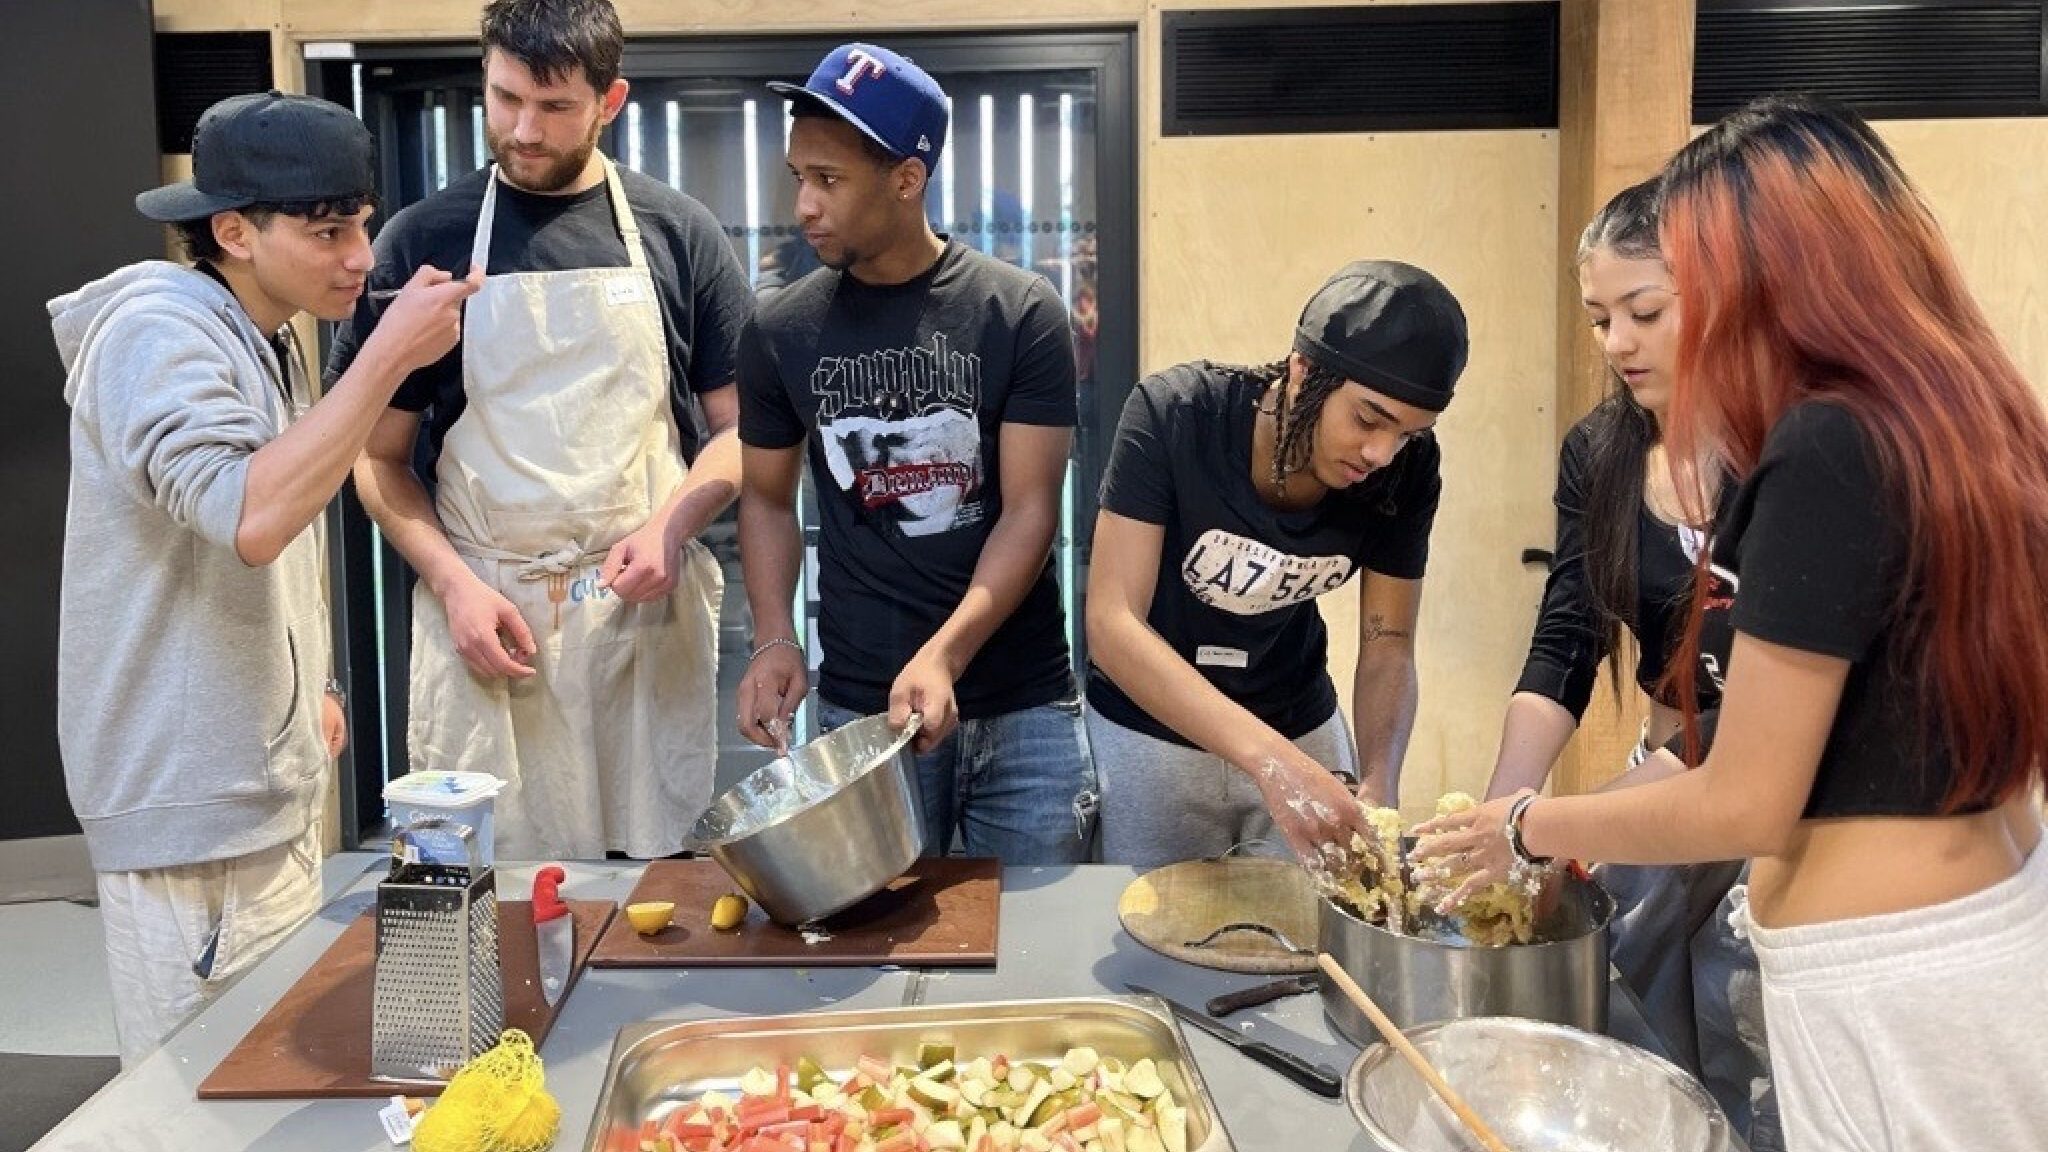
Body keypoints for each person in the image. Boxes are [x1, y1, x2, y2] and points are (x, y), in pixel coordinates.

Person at [1415, 94, 2048, 1150]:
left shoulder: (1823, 448)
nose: (1645, 334)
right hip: (1978, 932)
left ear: (1777, 274)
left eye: (1682, 286)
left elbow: (1748, 798)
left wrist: (1529, 826)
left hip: (1887, 980)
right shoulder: (1964, 412)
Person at [49, 91, 478, 1065]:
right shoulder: (156, 332)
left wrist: (312, 684)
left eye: (362, 223)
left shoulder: (267, 329)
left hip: (260, 781)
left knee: (270, 1080)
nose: (361, 256)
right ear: (233, 231)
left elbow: (287, 519)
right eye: (328, 231)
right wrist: (382, 358)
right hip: (188, 803)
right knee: (195, 1099)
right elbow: (248, 516)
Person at [330, 0, 754, 860]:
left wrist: (673, 528)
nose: (523, 129)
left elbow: (741, 433)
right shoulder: (426, 242)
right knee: (498, 898)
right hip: (487, 620)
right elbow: (376, 461)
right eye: (505, 98)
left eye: (554, 107)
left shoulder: (680, 236)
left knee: (652, 895)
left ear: (612, 100)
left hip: (639, 617)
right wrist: (452, 585)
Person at [736, 43, 1095, 863]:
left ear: (907, 178)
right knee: (882, 959)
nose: (803, 206)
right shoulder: (780, 330)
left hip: (1024, 710)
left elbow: (1033, 507)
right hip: (865, 715)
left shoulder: (1019, 312)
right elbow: (763, 496)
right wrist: (771, 634)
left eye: (828, 180)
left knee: (1036, 965)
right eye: (798, 176)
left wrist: (945, 654)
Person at [1482, 179, 1775, 1146]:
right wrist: (1501, 818)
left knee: (1753, 1063)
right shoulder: (1602, 452)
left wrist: (1546, 824)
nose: (1616, 343)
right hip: (1667, 789)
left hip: (1778, 809)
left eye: (1645, 312)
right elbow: (1567, 638)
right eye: (1601, 318)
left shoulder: (1793, 450)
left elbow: (1760, 703)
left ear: (1720, 291)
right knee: (1643, 1055)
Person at [1084, 260, 1466, 873]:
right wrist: (1271, 761)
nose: (1381, 453)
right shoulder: (1177, 415)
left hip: (1299, 721)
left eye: (1409, 434)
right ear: (1303, 371)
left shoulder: (1408, 470)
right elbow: (1112, 624)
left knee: (1305, 949)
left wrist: (1380, 783)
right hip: (1154, 731)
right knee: (1153, 944)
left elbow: (1389, 642)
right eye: (1368, 419)